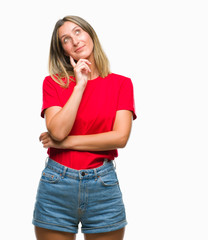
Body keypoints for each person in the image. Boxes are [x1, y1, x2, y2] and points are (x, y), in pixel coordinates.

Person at [32, 15, 136, 240]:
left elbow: (120, 138)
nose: (75, 40)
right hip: (56, 184)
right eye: (66, 39)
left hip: (103, 185)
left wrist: (66, 143)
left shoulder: (121, 84)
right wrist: (80, 85)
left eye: (78, 32)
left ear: (90, 34)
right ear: (63, 50)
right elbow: (58, 131)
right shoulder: (54, 83)